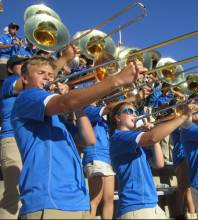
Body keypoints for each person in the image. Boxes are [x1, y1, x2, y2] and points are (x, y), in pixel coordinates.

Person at [11, 48, 146, 219]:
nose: (48, 78)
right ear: (25, 78)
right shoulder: (27, 97)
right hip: (49, 200)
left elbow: (89, 140)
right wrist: (117, 80)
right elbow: (65, 103)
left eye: (51, 75)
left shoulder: (58, 118)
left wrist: (78, 106)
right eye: (41, 73)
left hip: (77, 201)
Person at [109, 101, 192, 219]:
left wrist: (153, 138)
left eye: (136, 112)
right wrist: (183, 116)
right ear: (117, 117)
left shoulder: (134, 143)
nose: (135, 115)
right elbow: (152, 137)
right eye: (129, 111)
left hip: (150, 204)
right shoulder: (118, 136)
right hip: (135, 206)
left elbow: (159, 163)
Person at [0, 55, 28, 218]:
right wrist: (63, 59)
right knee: (13, 199)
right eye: (21, 64)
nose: (25, 66)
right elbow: (27, 83)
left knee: (27, 195)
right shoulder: (9, 82)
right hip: (12, 140)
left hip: (27, 141)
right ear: (11, 69)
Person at [171, 128, 196, 219]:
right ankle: (179, 214)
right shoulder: (179, 120)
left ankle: (191, 214)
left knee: (188, 188)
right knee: (182, 187)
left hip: (188, 153)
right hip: (181, 154)